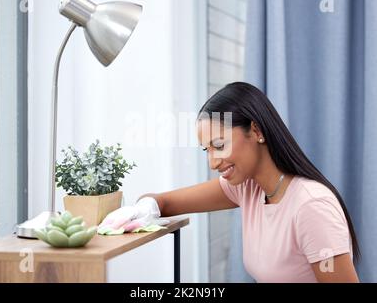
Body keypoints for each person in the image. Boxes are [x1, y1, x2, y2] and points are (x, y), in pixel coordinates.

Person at [100, 82, 360, 283]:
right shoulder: (248, 189)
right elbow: (165, 203)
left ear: (256, 131)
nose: (213, 162)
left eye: (220, 145)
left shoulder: (311, 206)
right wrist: (141, 209)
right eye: (207, 150)